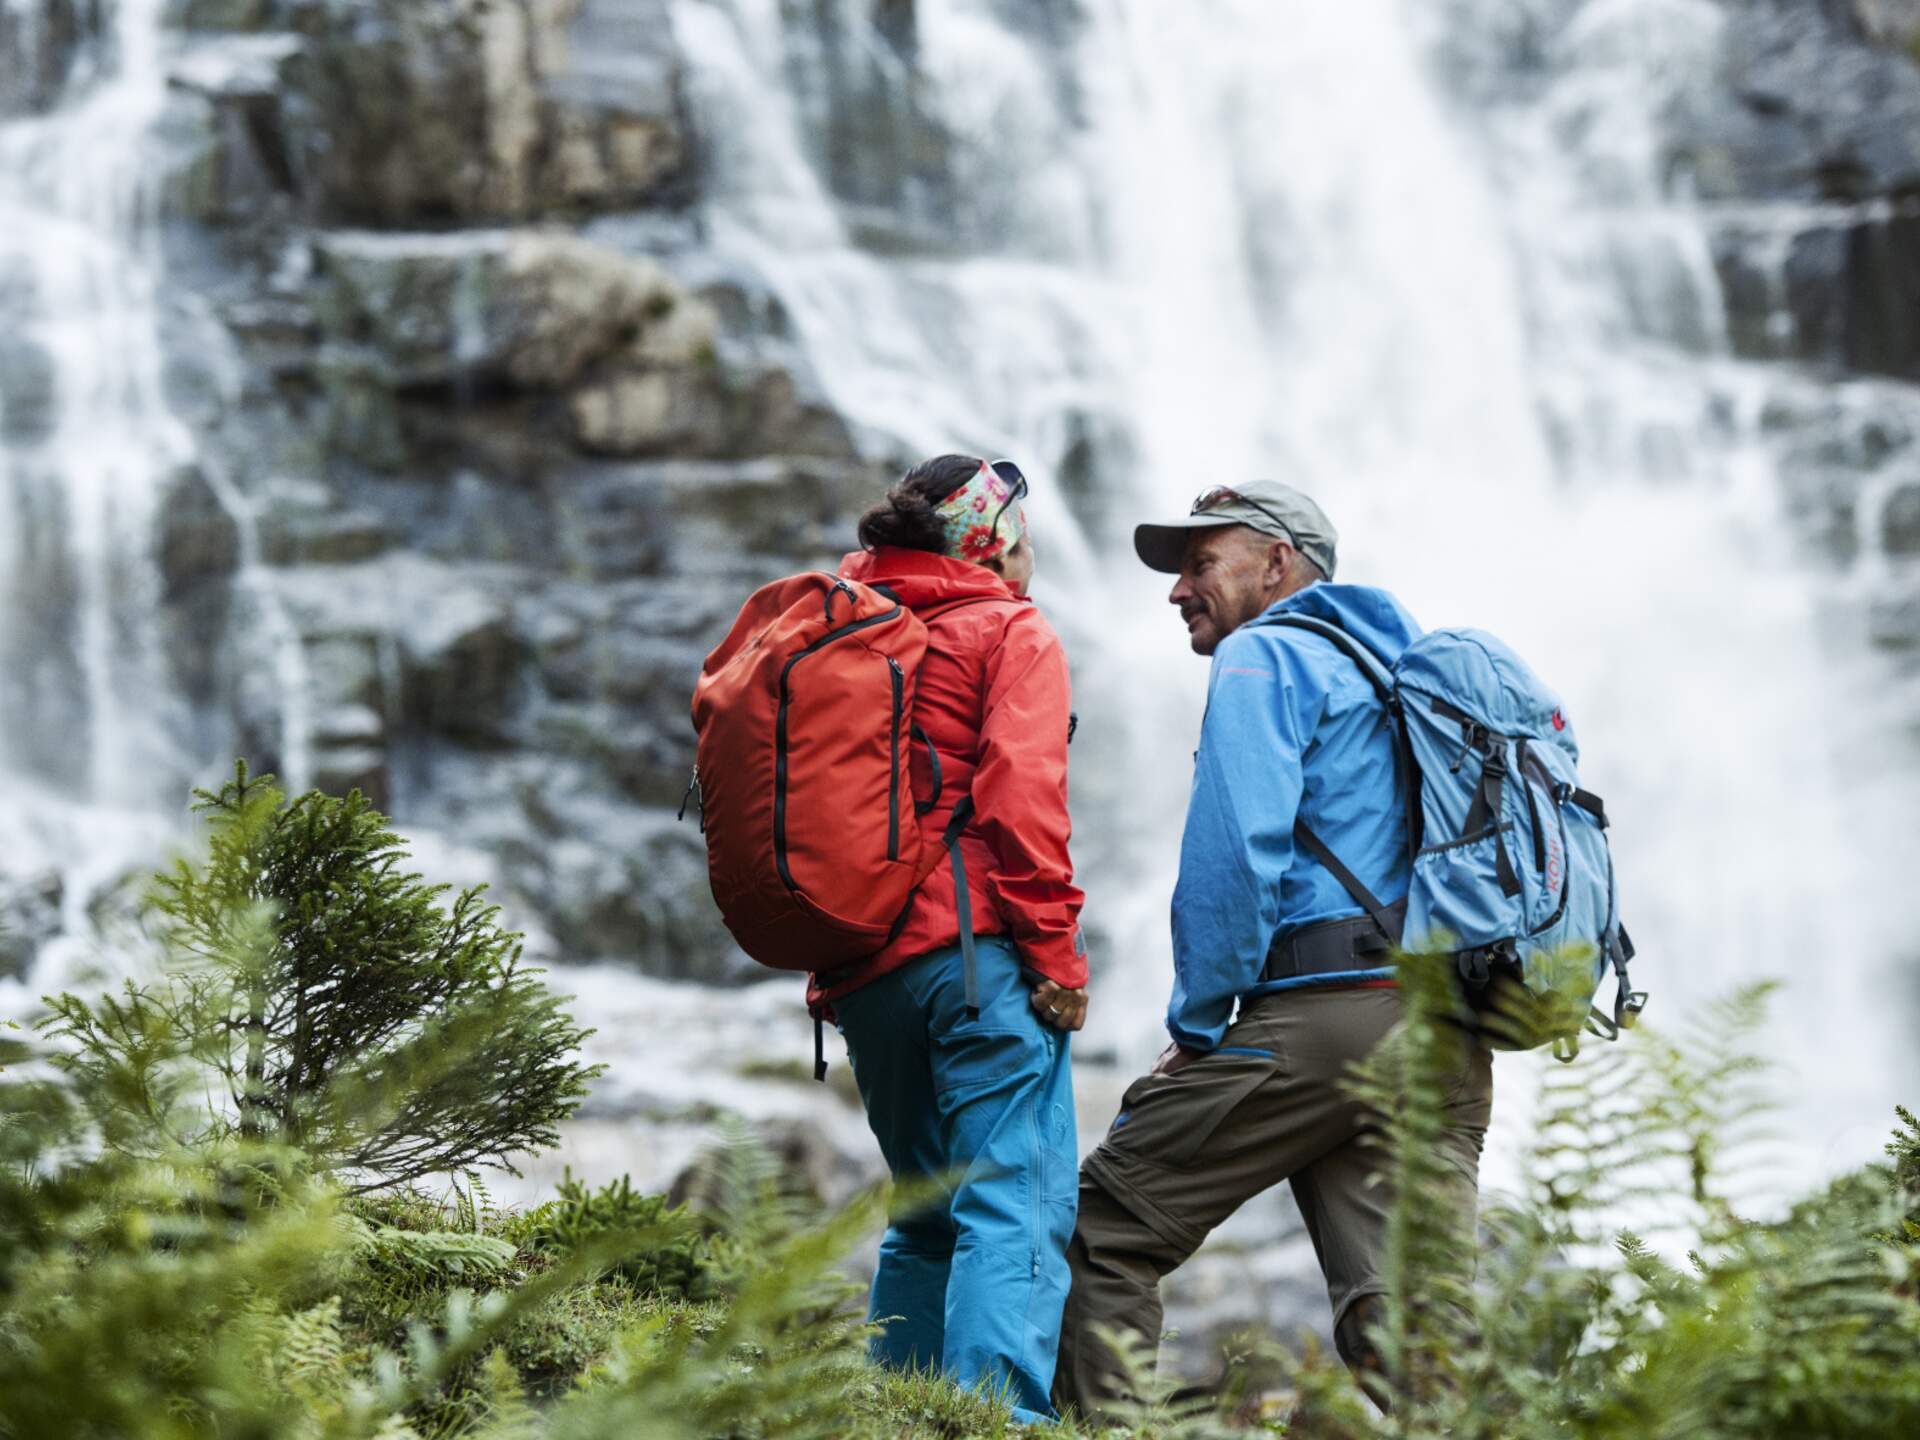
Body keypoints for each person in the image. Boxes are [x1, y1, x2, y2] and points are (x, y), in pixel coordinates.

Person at [1052, 480, 1493, 1415]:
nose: (1178, 589)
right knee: (1406, 1318)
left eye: (1202, 563)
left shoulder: (1266, 656)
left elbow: (1235, 857)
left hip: (1326, 1017)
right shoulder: (1392, 671)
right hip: (1444, 1029)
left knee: (1108, 1227)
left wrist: (1200, 1022)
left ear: (1279, 564)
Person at [819, 454, 1089, 1424]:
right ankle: (998, 1428)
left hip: (862, 975)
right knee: (1011, 1210)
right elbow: (1022, 806)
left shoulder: (845, 624)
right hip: (975, 963)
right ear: (992, 539)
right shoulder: (1008, 628)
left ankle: (894, 1422)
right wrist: (1057, 961)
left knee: (925, 1216)